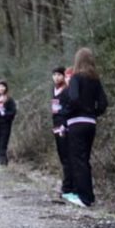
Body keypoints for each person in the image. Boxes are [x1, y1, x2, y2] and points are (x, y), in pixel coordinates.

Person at [60, 48, 108, 207]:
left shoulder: (76, 78)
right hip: (90, 124)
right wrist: (92, 113)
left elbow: (73, 98)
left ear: (77, 61)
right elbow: (103, 104)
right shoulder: (96, 80)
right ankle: (89, 196)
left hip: (76, 124)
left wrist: (66, 113)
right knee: (85, 159)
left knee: (78, 159)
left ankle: (84, 198)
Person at [50, 66, 72, 196]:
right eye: (54, 75)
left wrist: (64, 125)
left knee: (67, 156)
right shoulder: (53, 89)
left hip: (65, 125)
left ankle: (67, 186)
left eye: (59, 75)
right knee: (62, 155)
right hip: (56, 125)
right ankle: (66, 184)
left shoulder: (67, 90)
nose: (56, 77)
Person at [0, 80, 17, 166]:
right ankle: (0, 161)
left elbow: (13, 111)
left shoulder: (9, 99)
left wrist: (4, 113)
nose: (1, 88)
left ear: (6, 88)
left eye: (3, 87)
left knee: (3, 142)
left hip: (5, 123)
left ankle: (3, 162)